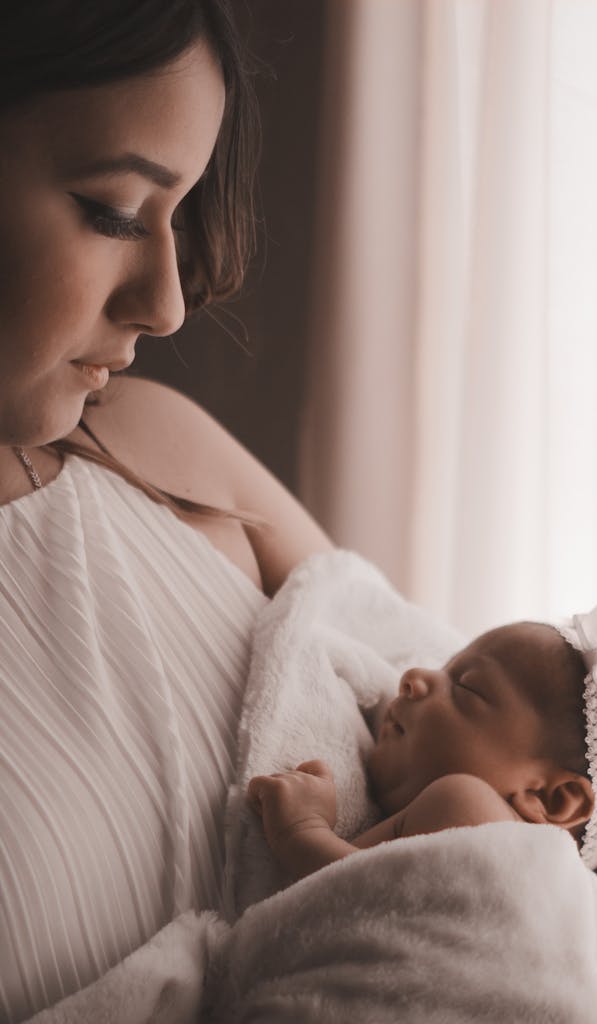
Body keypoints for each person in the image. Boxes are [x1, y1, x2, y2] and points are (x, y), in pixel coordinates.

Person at [0, 2, 333, 1021]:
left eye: (176, 213)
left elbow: (503, 763)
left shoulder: (158, 446)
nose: (169, 300)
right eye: (113, 210)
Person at [248, 602, 597, 886]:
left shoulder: (469, 810)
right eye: (446, 666)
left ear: (550, 798)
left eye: (466, 688)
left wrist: (303, 829)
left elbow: (347, 893)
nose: (414, 678)